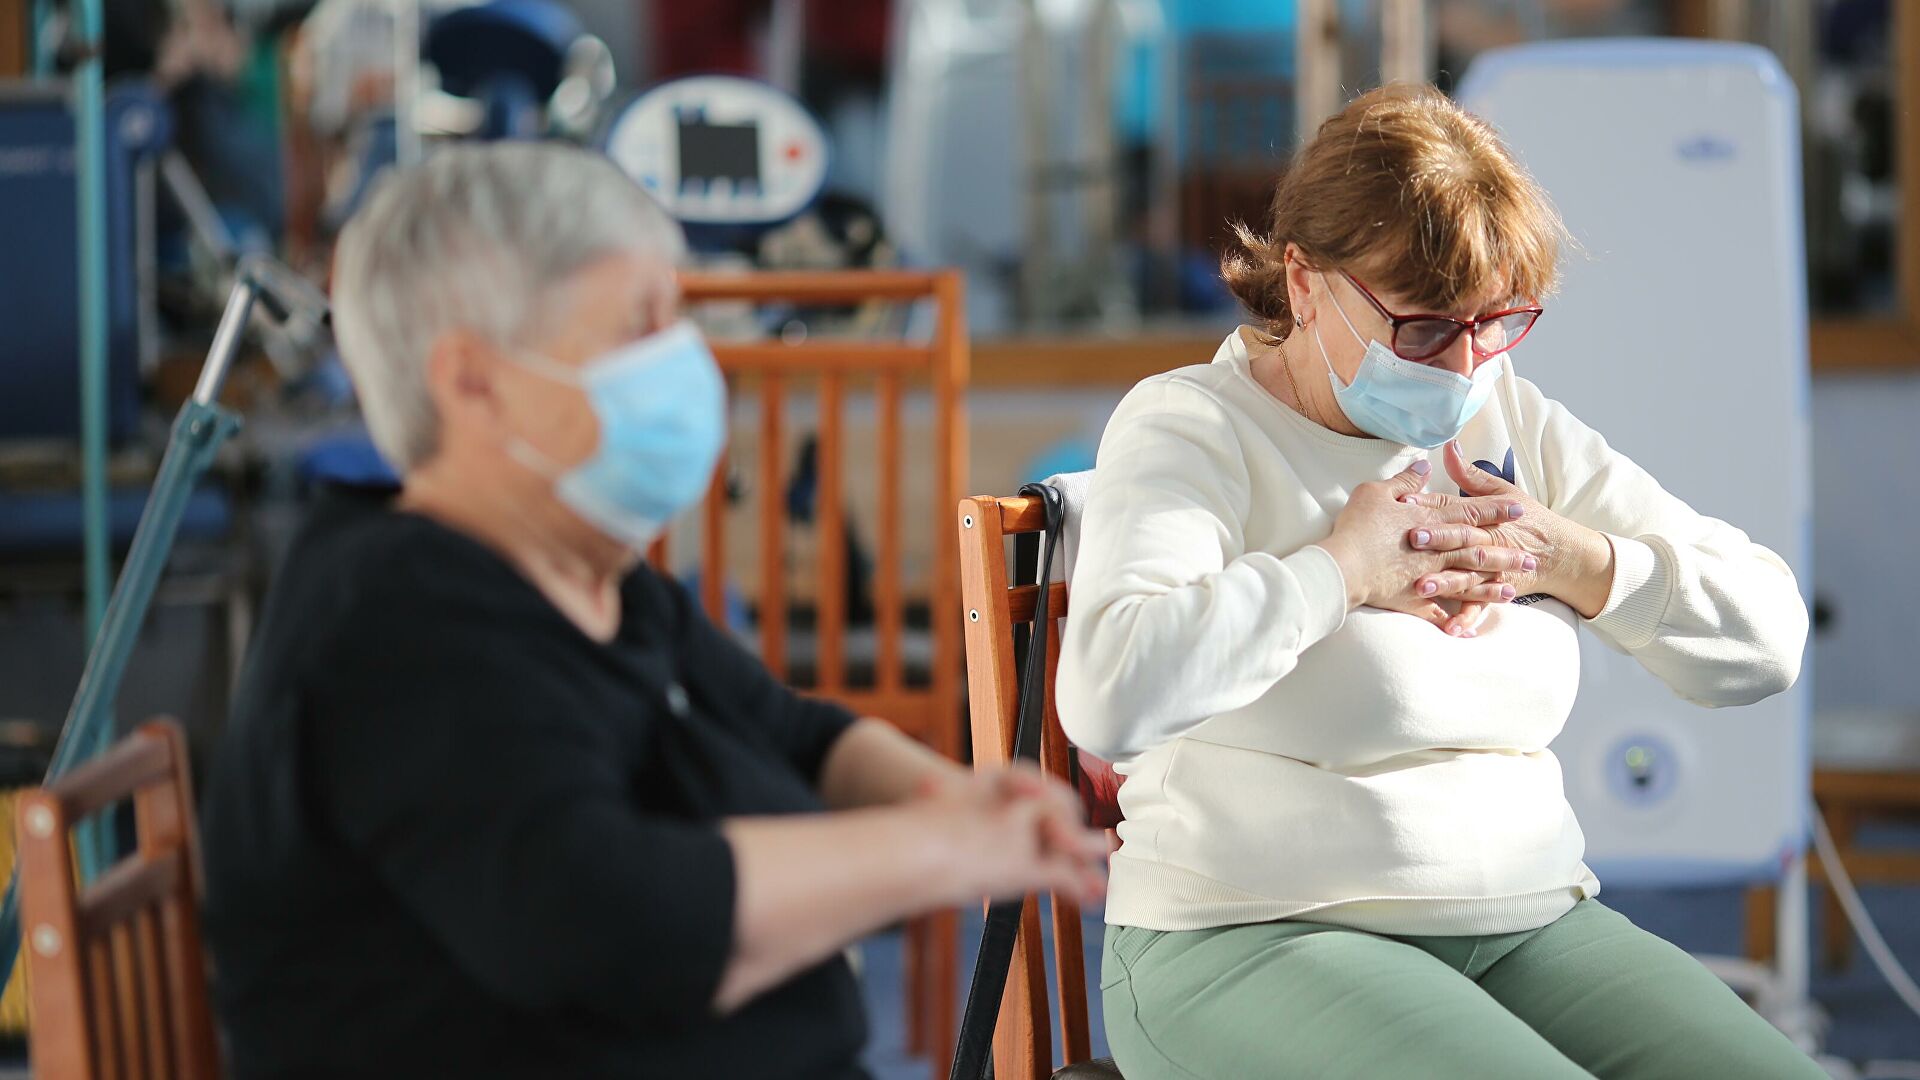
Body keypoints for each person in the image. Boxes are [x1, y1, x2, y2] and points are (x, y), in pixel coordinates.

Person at [199, 143, 1107, 1079]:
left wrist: (957, 798)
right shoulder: (389, 626)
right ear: (472, 382)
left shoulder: (590, 572)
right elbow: (607, 921)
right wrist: (941, 848)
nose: (682, 360)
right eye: (640, 325)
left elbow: (792, 734)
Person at [1057, 84, 1821, 1079]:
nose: (1463, 366)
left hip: (1528, 918)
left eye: (1495, 322)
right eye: (1422, 329)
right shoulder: (1194, 425)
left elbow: (1769, 642)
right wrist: (1342, 571)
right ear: (1303, 282)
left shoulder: (1507, 417)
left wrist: (1577, 562)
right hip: (1252, 934)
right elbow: (1110, 696)